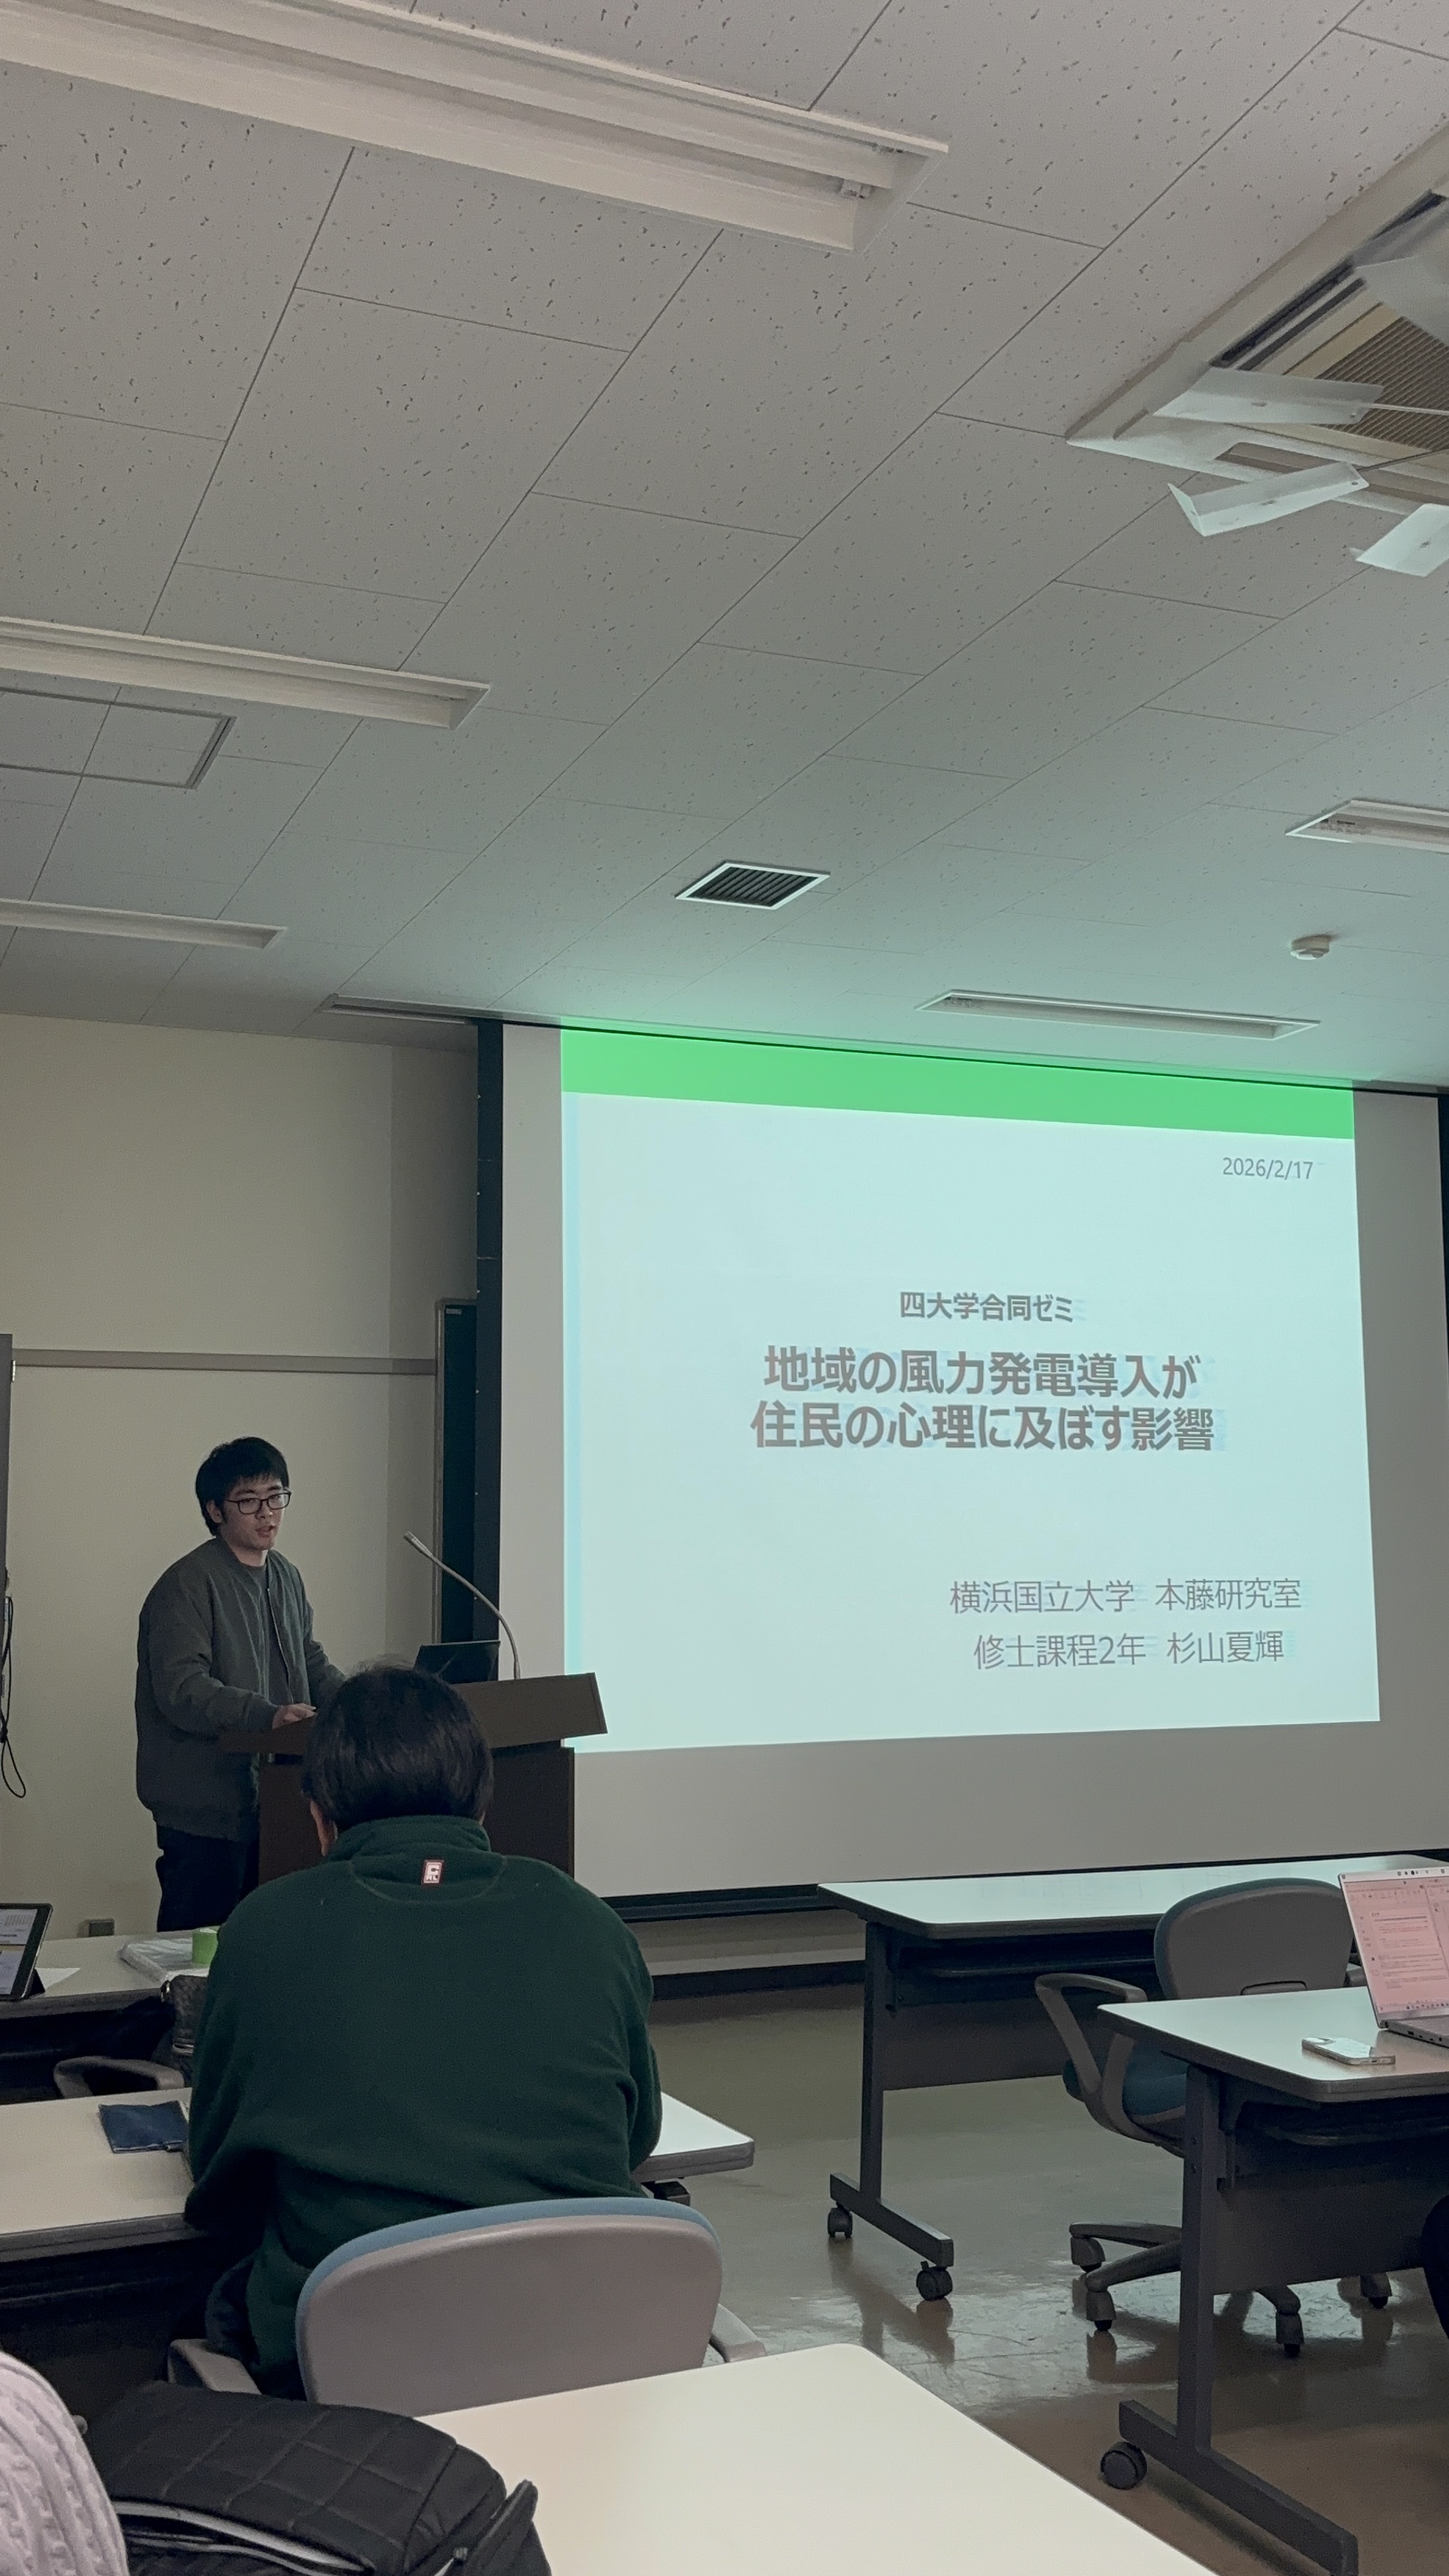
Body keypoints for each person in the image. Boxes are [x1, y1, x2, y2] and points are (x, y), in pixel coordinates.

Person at [184, 1663, 662, 2392]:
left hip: (345, 2391)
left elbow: (218, 2170)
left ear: (319, 1816)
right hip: (587, 2367)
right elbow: (636, 2137)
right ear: (482, 1803)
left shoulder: (262, 1931)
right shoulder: (591, 1925)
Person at [135, 1437, 343, 1932]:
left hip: (279, 1803)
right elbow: (182, 1689)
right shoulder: (188, 1583)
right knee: (197, 1954)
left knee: (266, 1945)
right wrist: (266, 1716)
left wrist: (358, 1702)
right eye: (249, 1501)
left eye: (276, 1496)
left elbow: (308, 1659)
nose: (267, 1513)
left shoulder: (286, 1576)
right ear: (215, 1510)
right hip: (206, 1811)